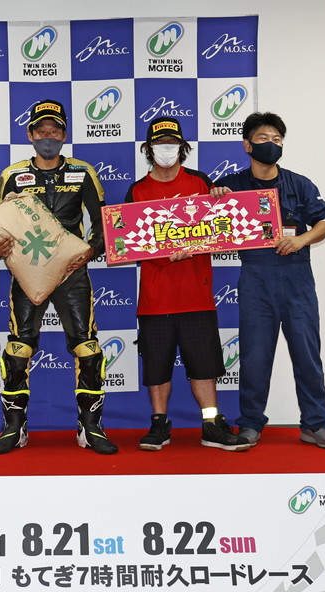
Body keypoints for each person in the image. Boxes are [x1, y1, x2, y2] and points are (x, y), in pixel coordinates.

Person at [0, 99, 117, 455]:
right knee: (18, 348)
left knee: (88, 348)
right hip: (29, 274)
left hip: (72, 273)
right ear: (30, 135)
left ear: (65, 135)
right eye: (41, 130)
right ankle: (14, 428)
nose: (48, 137)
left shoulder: (83, 172)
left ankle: (90, 428)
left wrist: (91, 251)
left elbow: (104, 222)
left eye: (55, 131)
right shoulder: (13, 175)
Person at [211, 112, 325, 449]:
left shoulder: (299, 184)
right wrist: (216, 198)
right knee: (254, 357)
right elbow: (205, 225)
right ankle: (250, 424)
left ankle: (315, 424)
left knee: (307, 354)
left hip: (297, 278)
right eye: (263, 138)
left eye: (277, 139)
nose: (271, 144)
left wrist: (302, 240)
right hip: (256, 279)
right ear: (247, 145)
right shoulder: (231, 186)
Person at [125, 117, 250, 452]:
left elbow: (220, 227)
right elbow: (128, 242)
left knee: (204, 366)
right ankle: (159, 424)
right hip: (155, 298)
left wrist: (221, 199)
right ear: (148, 148)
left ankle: (211, 424)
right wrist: (165, 256)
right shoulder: (137, 190)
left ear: (182, 147)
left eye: (172, 142)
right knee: (157, 368)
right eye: (159, 143)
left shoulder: (201, 182)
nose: (165, 149)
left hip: (197, 295)